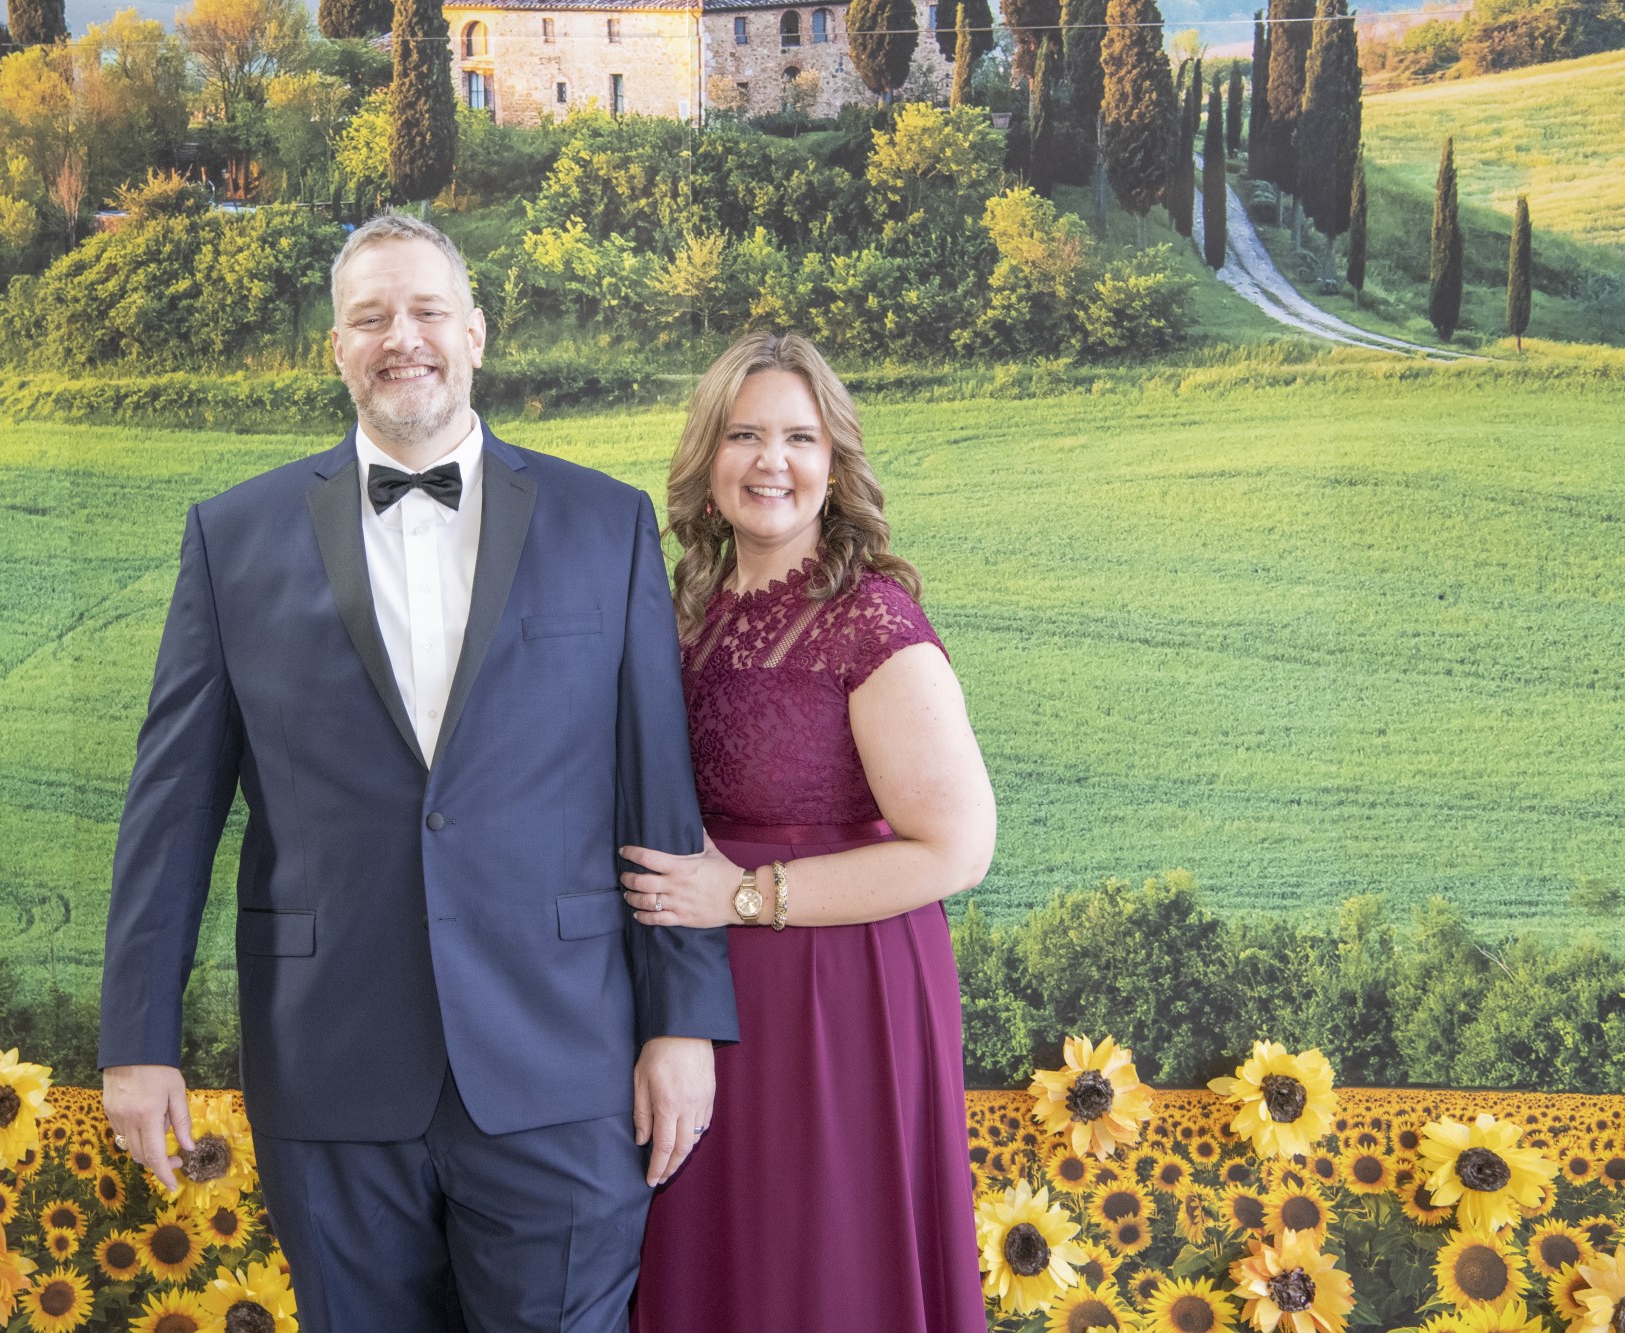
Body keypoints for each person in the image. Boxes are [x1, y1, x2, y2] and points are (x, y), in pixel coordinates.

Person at [95, 212, 739, 1333]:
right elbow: (172, 810)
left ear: (475, 332)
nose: (403, 337)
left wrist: (682, 1019)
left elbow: (657, 791)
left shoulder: (607, 522)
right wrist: (137, 1042)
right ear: (336, 348)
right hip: (329, 1063)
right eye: (371, 317)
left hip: (563, 1063)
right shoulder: (231, 537)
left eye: (428, 310)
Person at [623, 330, 997, 1333]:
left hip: (839, 999)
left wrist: (744, 895)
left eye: (799, 437)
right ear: (707, 457)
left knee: (820, 1269)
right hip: (706, 991)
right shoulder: (687, 610)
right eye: (743, 434)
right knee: (722, 1265)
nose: (770, 461)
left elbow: (959, 849)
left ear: (835, 462)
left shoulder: (872, 622)